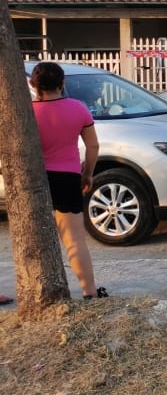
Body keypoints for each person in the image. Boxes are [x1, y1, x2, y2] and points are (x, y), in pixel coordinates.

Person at [29, 62, 108, 300]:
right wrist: (88, 173)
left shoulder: (26, 112)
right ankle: (90, 292)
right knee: (74, 239)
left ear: (33, 84)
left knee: (32, 240)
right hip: (68, 177)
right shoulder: (78, 108)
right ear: (62, 83)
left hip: (34, 180)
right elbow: (93, 145)